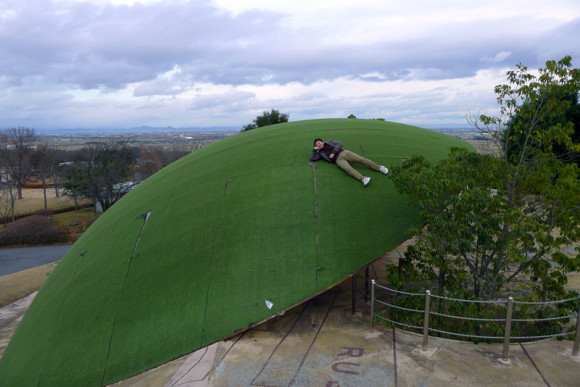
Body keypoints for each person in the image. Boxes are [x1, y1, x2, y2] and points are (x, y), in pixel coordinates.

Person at [310, 138, 388, 186]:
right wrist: (314, 150)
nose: (319, 145)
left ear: (323, 142)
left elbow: (339, 144)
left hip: (344, 152)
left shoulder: (330, 142)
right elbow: (312, 158)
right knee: (348, 168)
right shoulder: (321, 154)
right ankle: (363, 179)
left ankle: (380, 168)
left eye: (319, 142)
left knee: (361, 160)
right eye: (317, 145)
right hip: (338, 160)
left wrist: (333, 152)